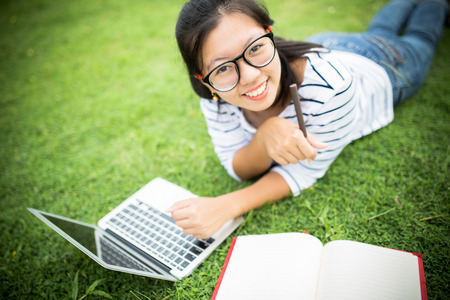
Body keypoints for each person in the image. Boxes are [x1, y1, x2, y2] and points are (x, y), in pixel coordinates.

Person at [169, 0, 448, 239]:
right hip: (329, 44)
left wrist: (228, 205)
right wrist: (266, 135)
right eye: (223, 67)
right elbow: (236, 165)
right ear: (204, 80)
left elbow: (305, 170)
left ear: (269, 34)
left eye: (254, 48)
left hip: (382, 63)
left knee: (421, 36)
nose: (251, 75)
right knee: (380, 31)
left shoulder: (331, 87)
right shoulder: (216, 96)